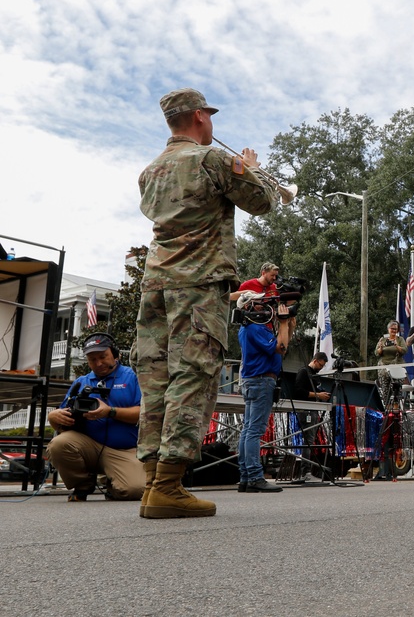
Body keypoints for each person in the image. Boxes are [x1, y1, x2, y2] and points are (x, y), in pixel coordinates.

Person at [135, 88, 278, 519]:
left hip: (155, 285)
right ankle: (167, 486)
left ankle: (151, 484)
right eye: (209, 117)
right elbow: (263, 203)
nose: (212, 125)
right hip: (197, 286)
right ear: (199, 116)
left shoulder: (149, 172)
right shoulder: (210, 159)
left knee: (156, 378)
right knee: (192, 376)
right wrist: (251, 170)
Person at [46, 333, 144, 502]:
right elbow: (62, 421)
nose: (98, 363)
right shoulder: (81, 381)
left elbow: (145, 414)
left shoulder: (133, 376)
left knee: (135, 490)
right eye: (92, 359)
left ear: (115, 354)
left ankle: (111, 482)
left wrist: (110, 411)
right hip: (89, 446)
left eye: (103, 357)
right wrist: (53, 417)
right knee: (58, 444)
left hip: (125, 449)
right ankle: (83, 484)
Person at [237, 298, 295, 492]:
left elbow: (282, 345)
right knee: (254, 430)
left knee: (248, 429)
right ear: (247, 307)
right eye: (257, 303)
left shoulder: (246, 328)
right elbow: (280, 348)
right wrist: (284, 323)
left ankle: (246, 477)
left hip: (253, 381)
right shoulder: (255, 328)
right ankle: (254, 476)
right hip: (261, 380)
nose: (263, 307)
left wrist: (288, 324)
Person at [293, 352, 330, 477]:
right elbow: (298, 391)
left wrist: (321, 393)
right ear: (315, 360)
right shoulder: (304, 372)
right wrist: (317, 395)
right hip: (305, 409)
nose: (321, 368)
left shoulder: (314, 375)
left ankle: (307, 469)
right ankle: (305, 471)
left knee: (310, 440)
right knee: (308, 440)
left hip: (312, 409)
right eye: (321, 365)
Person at [374, 320, 407, 407]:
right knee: (385, 388)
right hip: (384, 366)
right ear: (388, 329)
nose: (394, 331)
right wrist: (381, 347)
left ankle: (396, 407)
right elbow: (376, 353)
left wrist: (396, 346)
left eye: (396, 329)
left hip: (397, 365)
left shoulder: (400, 339)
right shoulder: (383, 339)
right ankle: (387, 407)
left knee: (397, 387)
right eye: (392, 329)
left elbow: (404, 350)